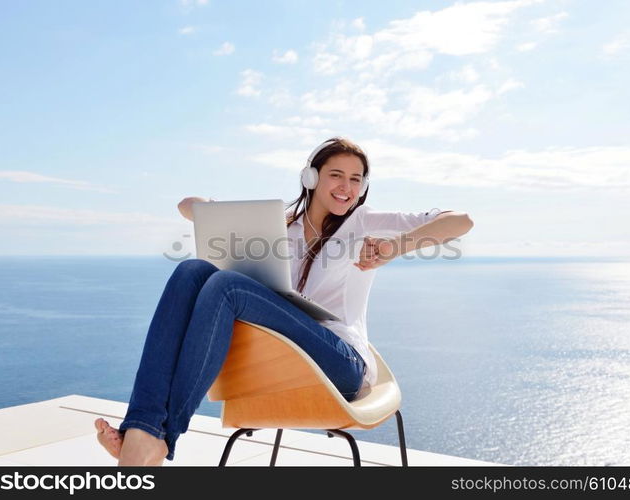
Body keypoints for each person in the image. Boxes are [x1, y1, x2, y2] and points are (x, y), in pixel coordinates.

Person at [94, 137, 474, 465]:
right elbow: (185, 205)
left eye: (355, 179)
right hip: (286, 357)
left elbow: (461, 220)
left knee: (226, 285)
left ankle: (163, 436)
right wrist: (215, 213)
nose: (346, 187)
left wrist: (395, 247)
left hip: (342, 364)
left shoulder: (365, 221)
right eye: (336, 175)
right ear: (311, 178)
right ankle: (143, 428)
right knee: (192, 271)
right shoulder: (280, 225)